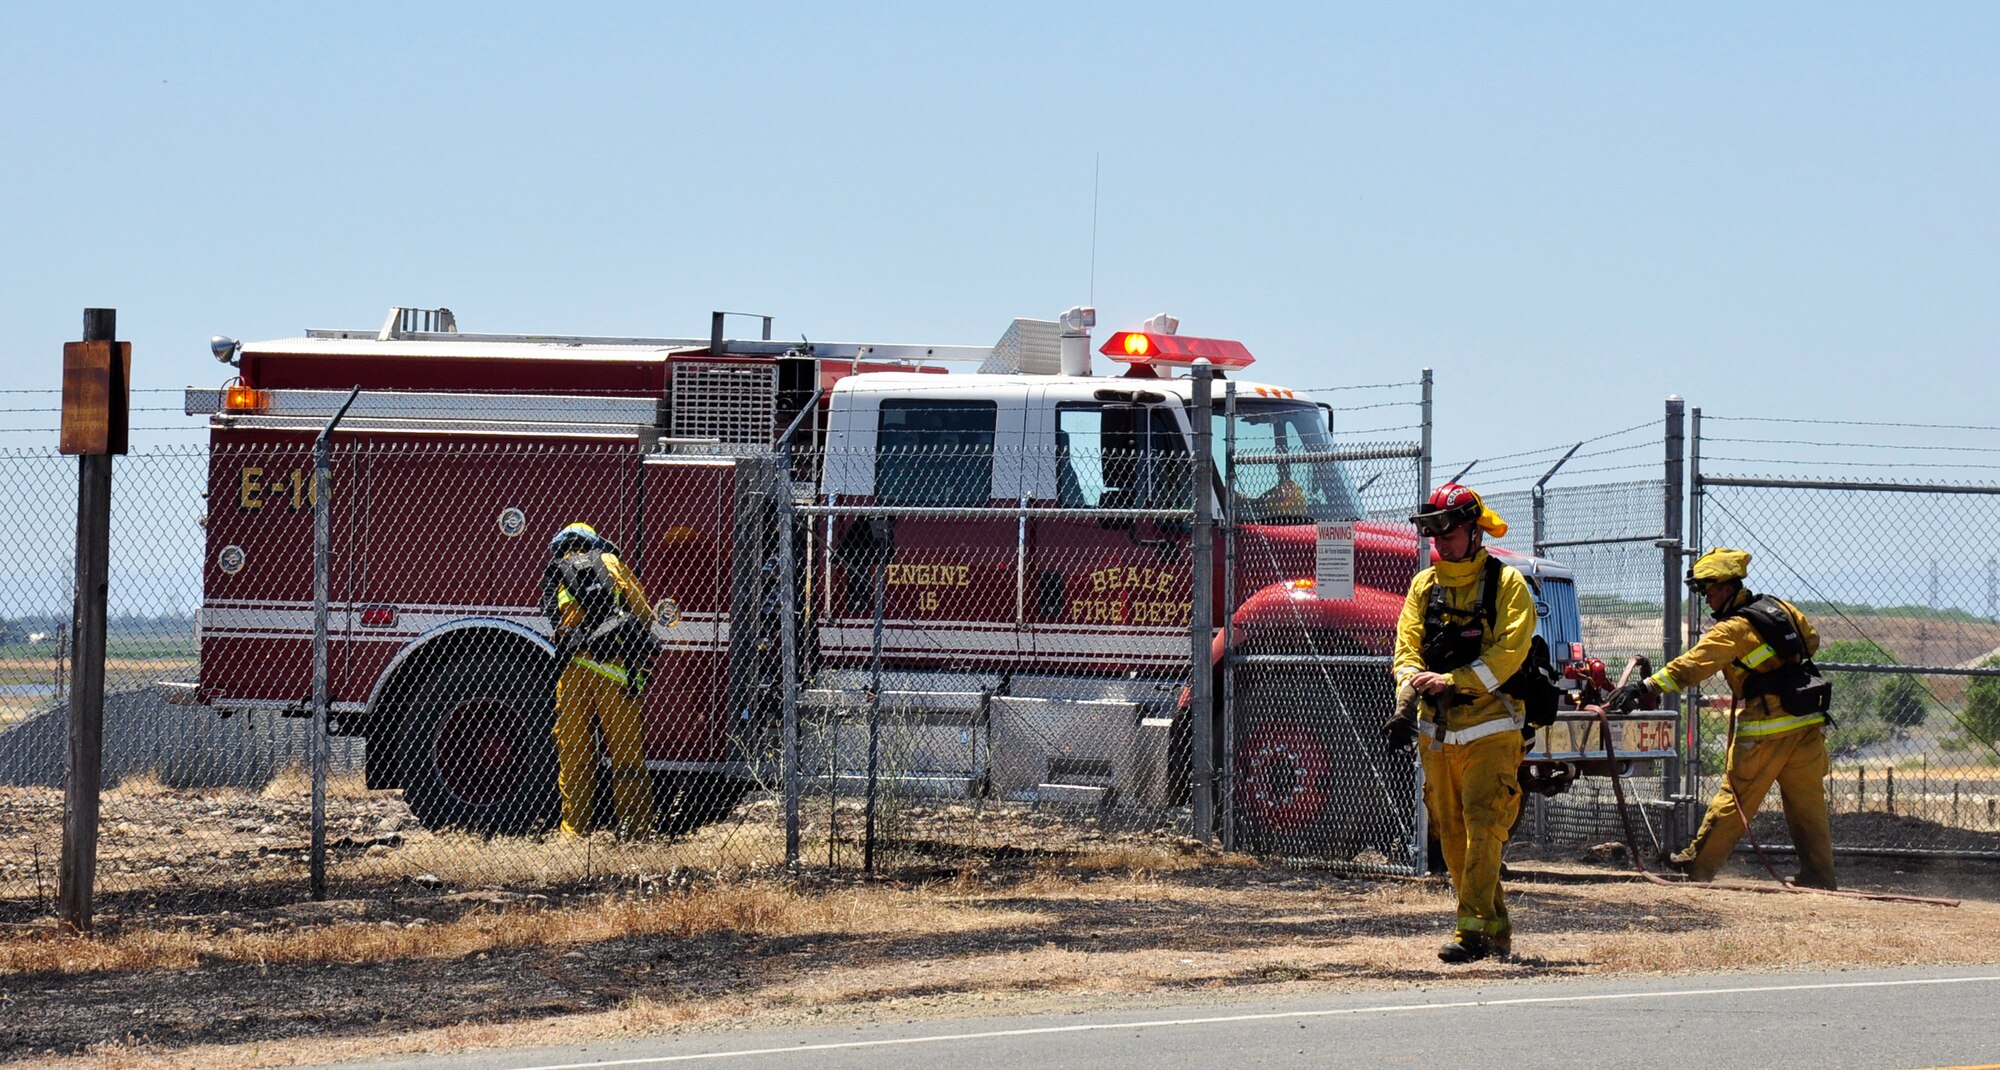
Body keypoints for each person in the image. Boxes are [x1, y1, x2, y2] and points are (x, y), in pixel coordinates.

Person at [1606, 548, 1837, 889]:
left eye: (1709, 590)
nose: (1706, 598)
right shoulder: (1781, 608)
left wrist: (1643, 687)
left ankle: (1697, 869)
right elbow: (1811, 642)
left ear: (1729, 587)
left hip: (1765, 727)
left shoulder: (1732, 630)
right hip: (1806, 723)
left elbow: (1691, 666)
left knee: (1733, 801)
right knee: (1809, 808)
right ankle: (1819, 877)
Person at [1386, 482, 1537, 963]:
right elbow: (1405, 649)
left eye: (1447, 532)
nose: (1439, 542)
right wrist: (1406, 698)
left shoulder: (1506, 584)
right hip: (1437, 734)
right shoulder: (1423, 586)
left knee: (1484, 826)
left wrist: (1455, 680)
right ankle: (1493, 926)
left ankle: (1469, 931)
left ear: (1473, 531)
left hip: (1493, 728)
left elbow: (1509, 653)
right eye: (1431, 533)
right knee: (1451, 833)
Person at [541, 522, 660, 839]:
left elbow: (555, 620)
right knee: (626, 757)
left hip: (573, 671)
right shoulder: (609, 562)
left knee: (574, 756)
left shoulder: (557, 570)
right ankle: (635, 833)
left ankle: (573, 834)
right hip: (615, 672)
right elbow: (645, 614)